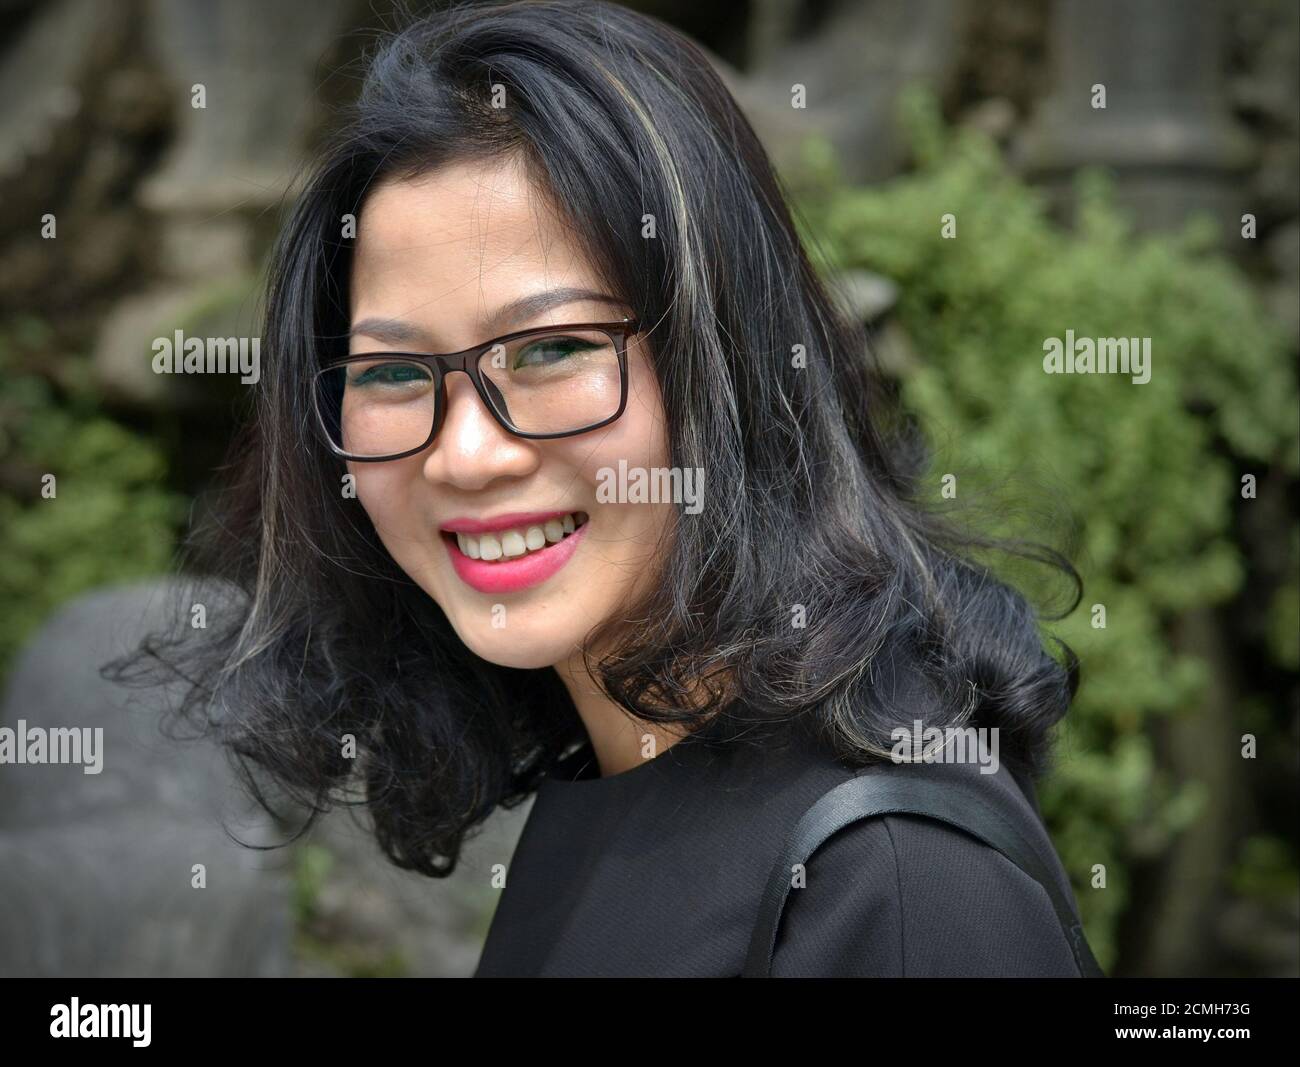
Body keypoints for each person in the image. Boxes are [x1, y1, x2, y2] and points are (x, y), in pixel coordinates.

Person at [110, 0, 1098, 977]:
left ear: (731, 369)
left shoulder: (891, 879)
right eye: (395, 372)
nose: (464, 453)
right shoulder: (605, 769)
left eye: (551, 348)